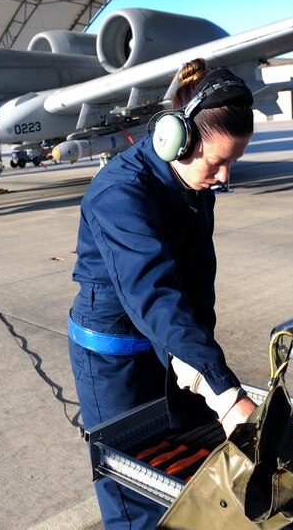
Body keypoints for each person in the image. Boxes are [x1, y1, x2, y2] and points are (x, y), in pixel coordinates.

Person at [68, 58, 258, 529]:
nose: (225, 177)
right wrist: (225, 392)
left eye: (232, 162)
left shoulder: (194, 184)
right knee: (134, 493)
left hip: (169, 346)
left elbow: (196, 284)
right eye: (218, 162)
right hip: (116, 361)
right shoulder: (120, 194)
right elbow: (154, 294)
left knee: (182, 475)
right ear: (177, 140)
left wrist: (205, 365)